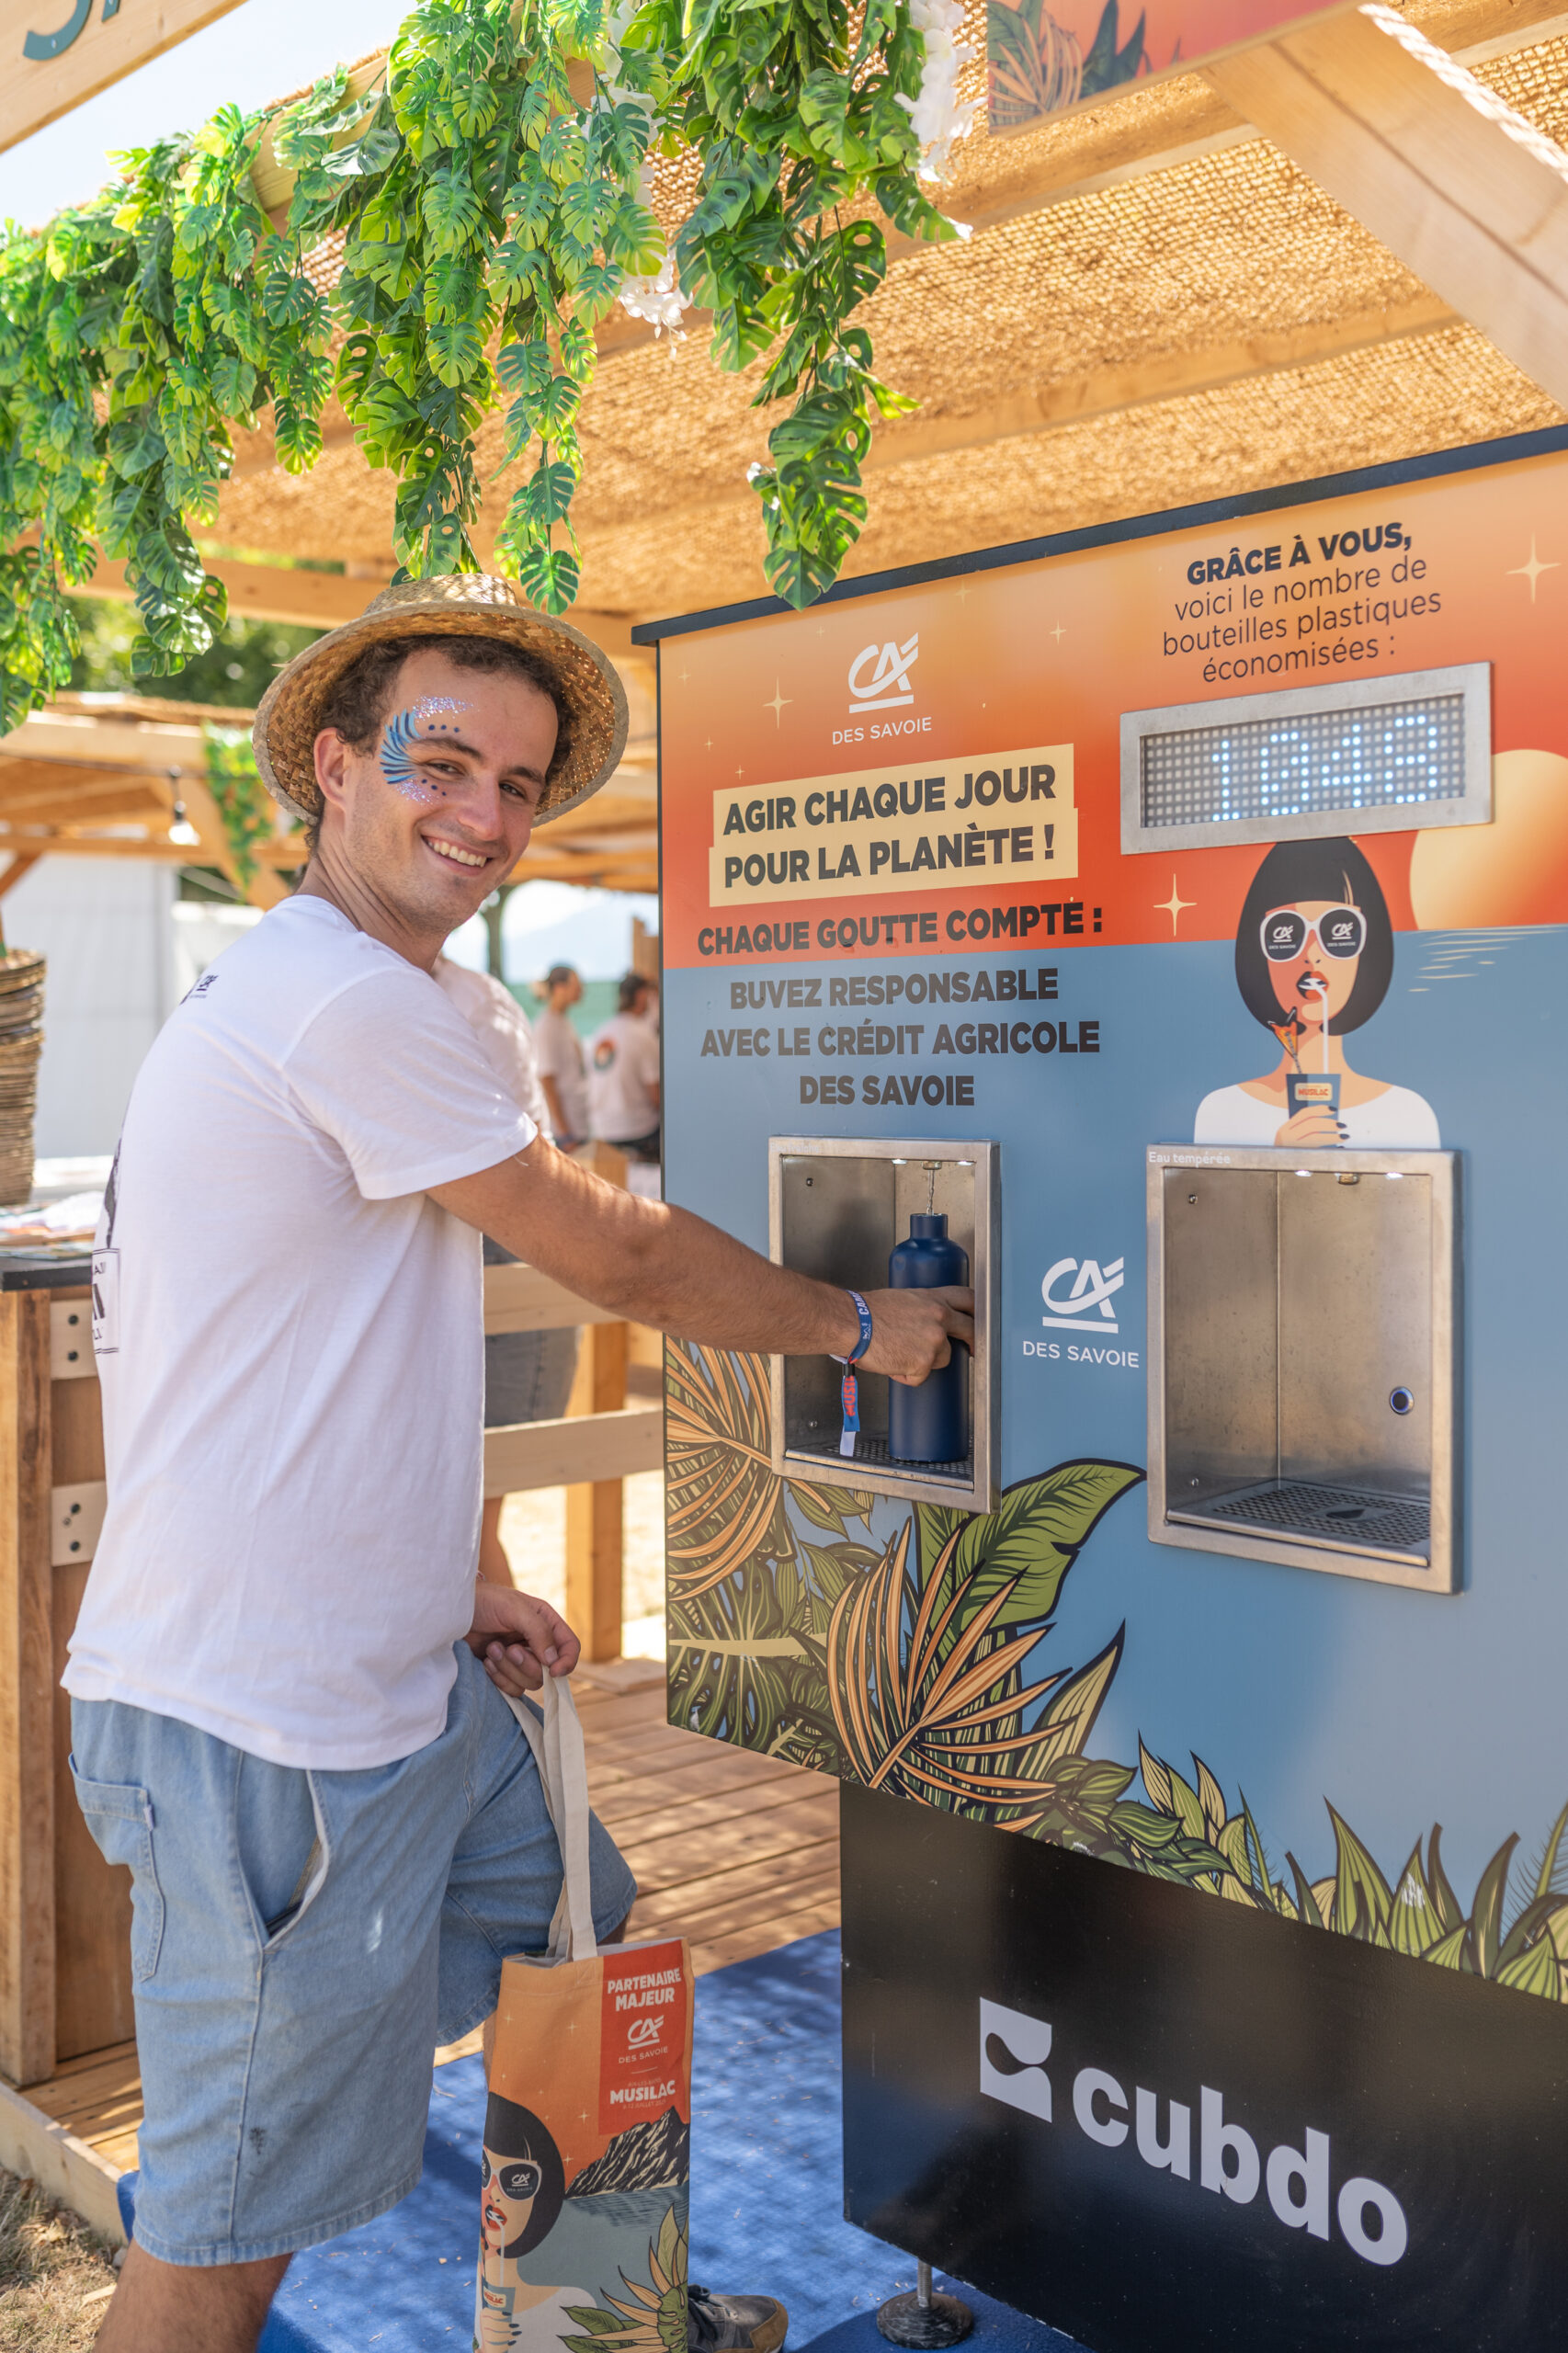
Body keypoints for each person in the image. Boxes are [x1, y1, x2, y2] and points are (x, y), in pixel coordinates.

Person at [64, 573, 968, 2353]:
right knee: (227, 2227)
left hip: (392, 1682)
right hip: (265, 1724)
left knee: (579, 1926)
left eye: (521, 784)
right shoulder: (335, 999)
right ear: (333, 766)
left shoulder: (442, 1013)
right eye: (442, 763)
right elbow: (604, 1249)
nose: (484, 815)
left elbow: (431, 1312)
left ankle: (587, 2308)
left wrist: (469, 1564)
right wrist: (859, 1329)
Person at [434, 951, 579, 1586]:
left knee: (468, 1525)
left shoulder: (470, 1003)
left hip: (504, 1251)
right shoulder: (394, 990)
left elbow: (505, 1159)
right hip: (471, 1254)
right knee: (452, 1524)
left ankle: (520, 1686)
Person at [1194, 835, 1440, 1148]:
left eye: (1338, 930)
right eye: (1287, 932)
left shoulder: (1407, 1113)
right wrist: (1279, 1152)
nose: (1311, 954)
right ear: (1258, 953)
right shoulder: (1221, 1111)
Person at [587, 972, 661, 1161]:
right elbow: (656, 1096)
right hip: (638, 1130)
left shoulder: (601, 1031)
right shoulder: (644, 1035)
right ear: (641, 996)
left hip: (602, 1129)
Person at [532, 963, 590, 1148]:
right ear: (559, 988)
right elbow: (547, 1080)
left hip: (577, 1121)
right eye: (576, 985)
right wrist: (565, 1132)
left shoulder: (562, 1020)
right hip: (565, 1130)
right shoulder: (547, 1026)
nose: (581, 990)